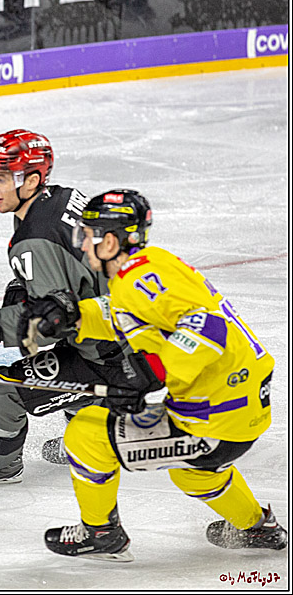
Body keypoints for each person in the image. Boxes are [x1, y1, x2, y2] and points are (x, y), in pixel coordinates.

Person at [24, 189, 286, 560]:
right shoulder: (150, 265)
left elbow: (208, 327)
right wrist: (77, 316)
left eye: (87, 235)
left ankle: (101, 534)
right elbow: (126, 313)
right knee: (194, 472)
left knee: (86, 433)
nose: (81, 243)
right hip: (242, 407)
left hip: (214, 418)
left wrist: (150, 374)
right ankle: (259, 528)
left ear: (109, 242)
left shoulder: (136, 280)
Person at [0, 129, 128, 485]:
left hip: (111, 360)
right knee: (45, 332)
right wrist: (22, 296)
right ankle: (94, 428)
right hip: (127, 333)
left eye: (2, 178)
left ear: (33, 180)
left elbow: (53, 323)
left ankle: (1, 464)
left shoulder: (34, 237)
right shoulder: (60, 198)